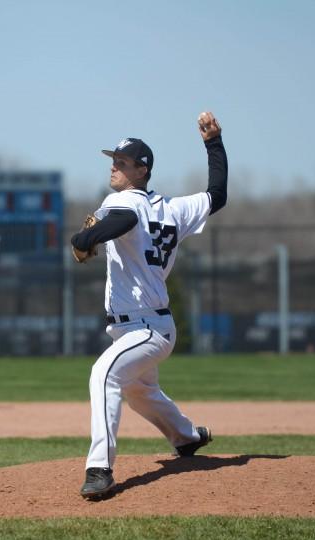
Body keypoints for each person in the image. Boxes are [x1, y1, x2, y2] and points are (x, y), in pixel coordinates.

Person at [70, 111, 228, 500]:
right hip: (144, 326)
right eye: (113, 160)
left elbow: (120, 222)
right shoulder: (174, 209)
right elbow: (217, 195)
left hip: (146, 328)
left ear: (142, 170)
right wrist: (214, 144)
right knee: (141, 392)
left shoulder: (123, 201)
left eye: (122, 163)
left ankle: (99, 469)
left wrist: (85, 236)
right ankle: (186, 437)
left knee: (103, 377)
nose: (114, 167)